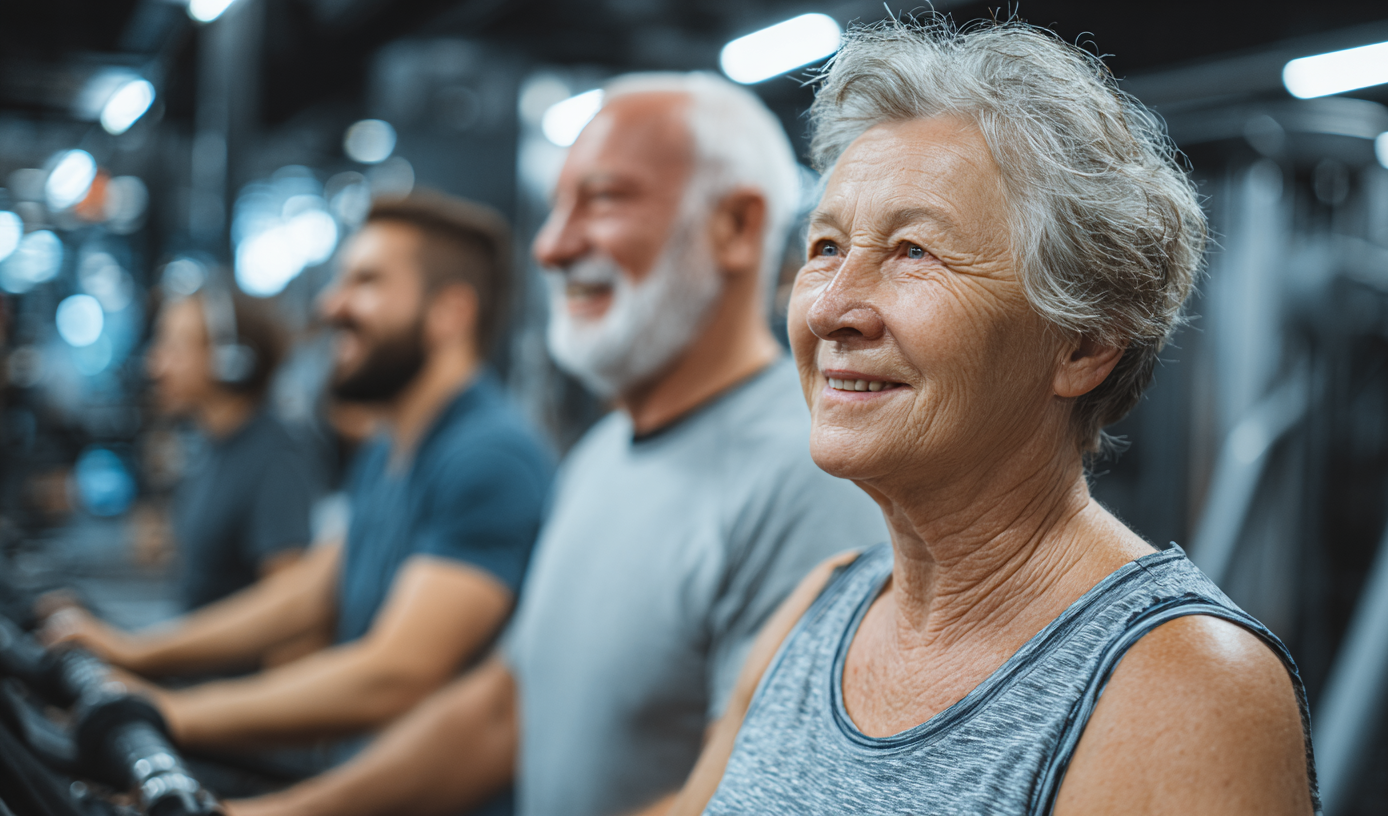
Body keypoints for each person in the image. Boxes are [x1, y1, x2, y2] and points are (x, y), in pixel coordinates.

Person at [667, 20, 1320, 816]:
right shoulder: (817, 613)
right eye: (828, 246)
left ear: (1084, 343)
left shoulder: (1186, 689)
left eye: (913, 251)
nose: (833, 308)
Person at [227, 72, 886, 816]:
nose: (551, 245)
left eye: (602, 200)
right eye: (556, 206)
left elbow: (741, 799)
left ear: (734, 227)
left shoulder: (807, 475)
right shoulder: (599, 455)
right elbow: (506, 709)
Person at [43, 193, 554, 765]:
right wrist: (140, 655)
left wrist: (169, 711)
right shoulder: (392, 443)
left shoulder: (489, 456)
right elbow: (308, 593)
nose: (332, 305)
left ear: (451, 313)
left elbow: (394, 673)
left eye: (366, 282)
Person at [147, 287, 317, 609]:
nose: (156, 365)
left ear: (230, 360)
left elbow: (287, 611)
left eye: (175, 346)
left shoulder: (275, 459)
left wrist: (147, 656)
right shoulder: (214, 447)